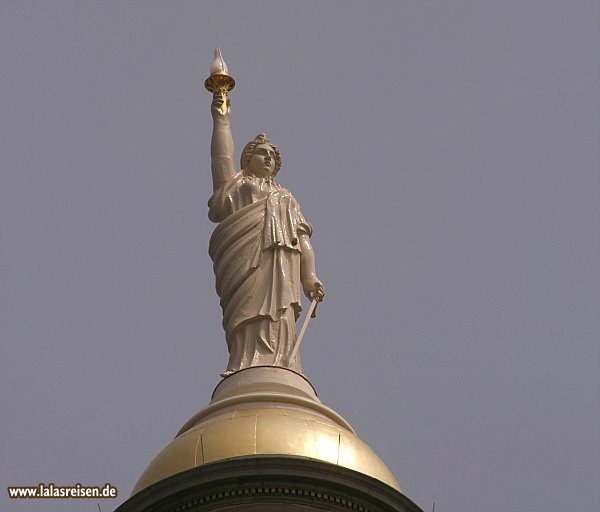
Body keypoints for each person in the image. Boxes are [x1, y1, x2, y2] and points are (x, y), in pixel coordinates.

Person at [208, 95, 324, 376]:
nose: (269, 158)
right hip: (244, 259)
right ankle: (245, 364)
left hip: (281, 265)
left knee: (280, 314)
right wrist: (221, 118)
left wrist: (309, 275)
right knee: (247, 311)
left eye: (273, 155)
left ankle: (280, 363)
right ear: (248, 160)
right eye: (263, 153)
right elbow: (221, 160)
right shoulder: (237, 187)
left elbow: (302, 238)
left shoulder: (286, 198)